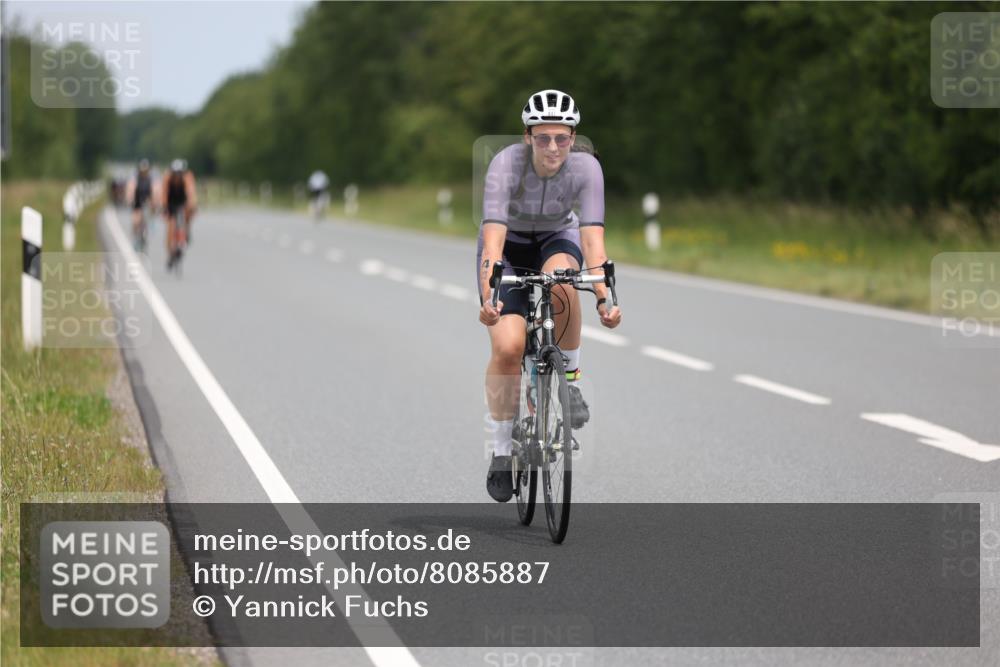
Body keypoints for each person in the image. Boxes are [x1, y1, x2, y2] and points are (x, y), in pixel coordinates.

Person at [478, 89, 622, 503]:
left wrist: (603, 298)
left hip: (558, 237)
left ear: (573, 137)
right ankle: (502, 450)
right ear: (528, 137)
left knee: (561, 280)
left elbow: (593, 242)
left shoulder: (587, 169)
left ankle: (569, 382)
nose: (553, 147)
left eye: (562, 137)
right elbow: (493, 240)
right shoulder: (505, 165)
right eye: (543, 138)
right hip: (508, 246)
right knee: (508, 347)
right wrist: (490, 294)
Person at [162, 159, 198, 270]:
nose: (177, 176)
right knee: (171, 227)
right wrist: (164, 206)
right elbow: (164, 193)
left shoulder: (187, 177)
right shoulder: (168, 177)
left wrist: (192, 205)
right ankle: (170, 253)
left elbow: (191, 192)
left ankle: (186, 231)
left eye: (179, 174)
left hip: (182, 202)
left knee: (187, 214)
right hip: (171, 203)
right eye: (175, 173)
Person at [128, 159, 155, 251]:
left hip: (146, 202)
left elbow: (154, 191)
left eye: (146, 170)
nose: (144, 172)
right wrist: (130, 198)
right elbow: (131, 189)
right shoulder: (136, 179)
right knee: (135, 221)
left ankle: (145, 235)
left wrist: (154, 202)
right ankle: (135, 238)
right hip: (137, 202)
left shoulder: (150, 179)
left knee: (147, 219)